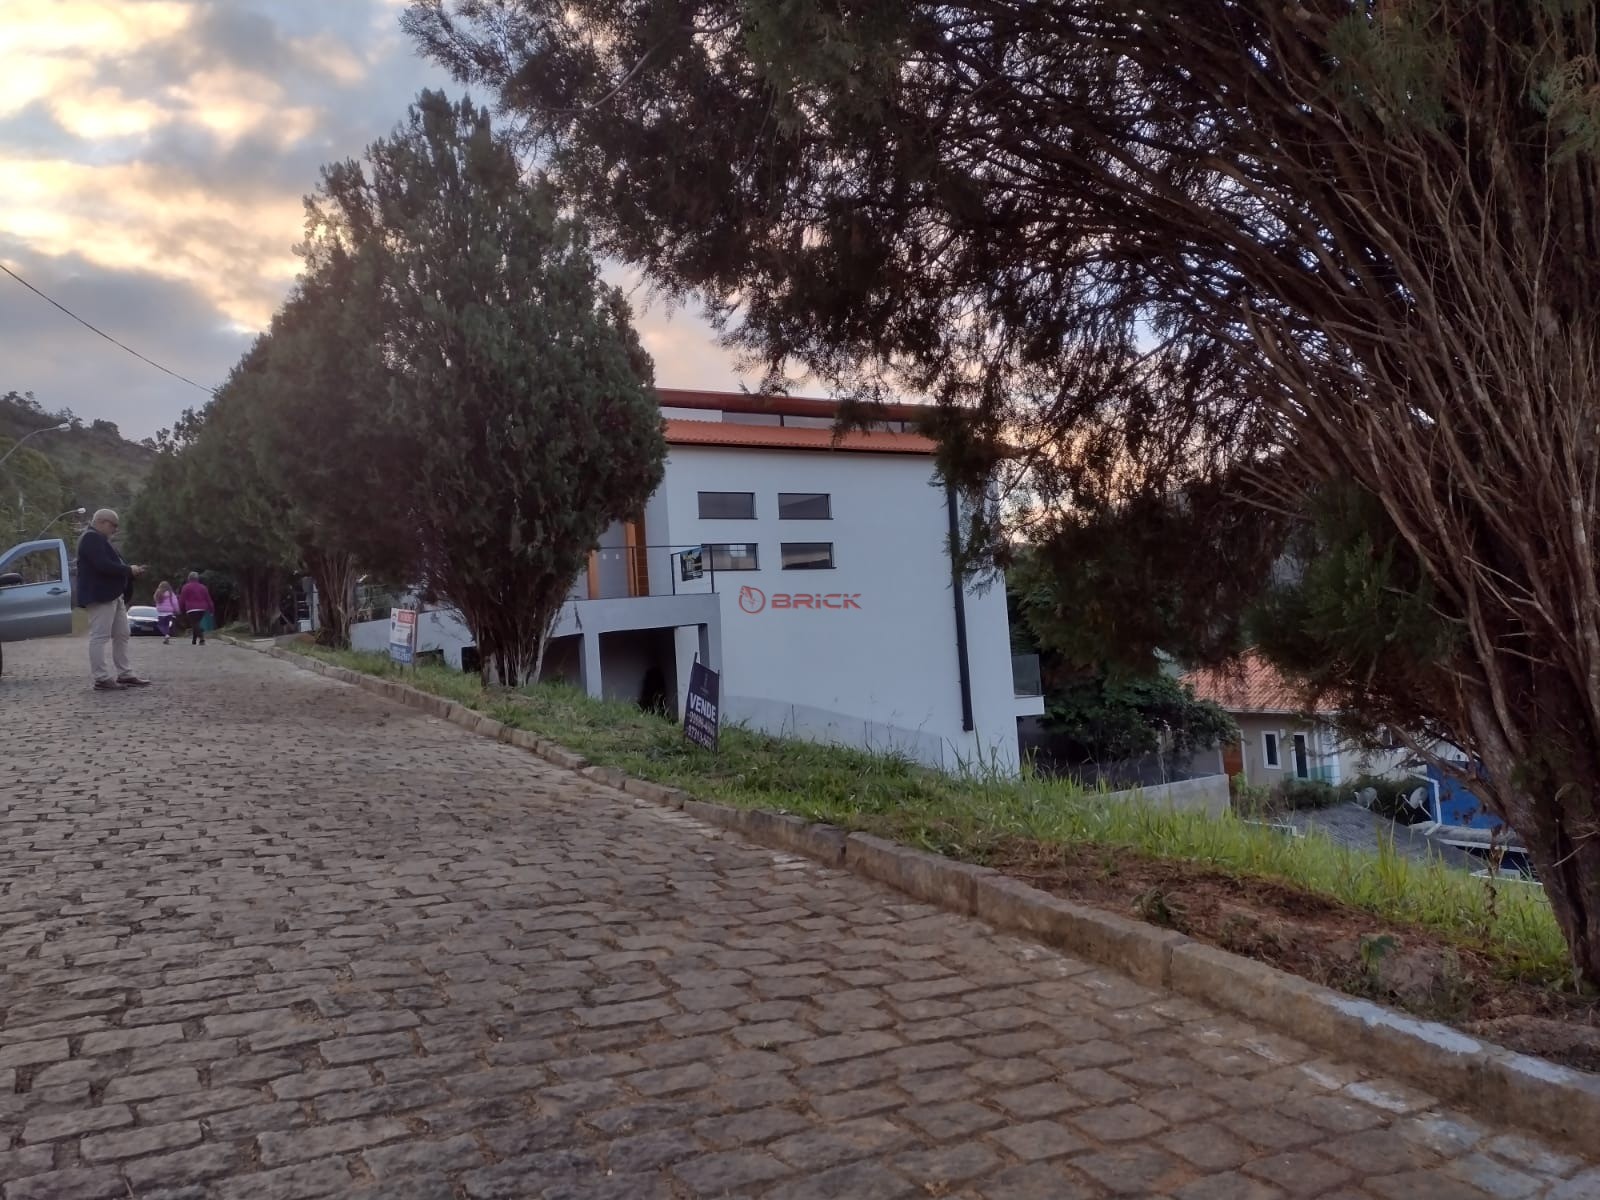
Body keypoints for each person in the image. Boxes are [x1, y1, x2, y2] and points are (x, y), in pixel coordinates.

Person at [76, 508, 149, 691]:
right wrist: (127, 570)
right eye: (113, 525)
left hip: (114, 595)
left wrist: (130, 571)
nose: (115, 529)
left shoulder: (100, 539)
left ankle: (125, 673)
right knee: (100, 636)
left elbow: (112, 565)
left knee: (122, 633)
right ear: (101, 521)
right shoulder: (91, 538)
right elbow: (103, 565)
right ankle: (101, 677)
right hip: (100, 595)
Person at [179, 571, 214, 645]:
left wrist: (180, 609)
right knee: (196, 623)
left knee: (194, 623)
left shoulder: (186, 587)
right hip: (202, 608)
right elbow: (208, 599)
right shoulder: (203, 587)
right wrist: (211, 610)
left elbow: (182, 599)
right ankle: (194, 640)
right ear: (197, 578)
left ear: (189, 578)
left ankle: (201, 639)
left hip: (191, 608)